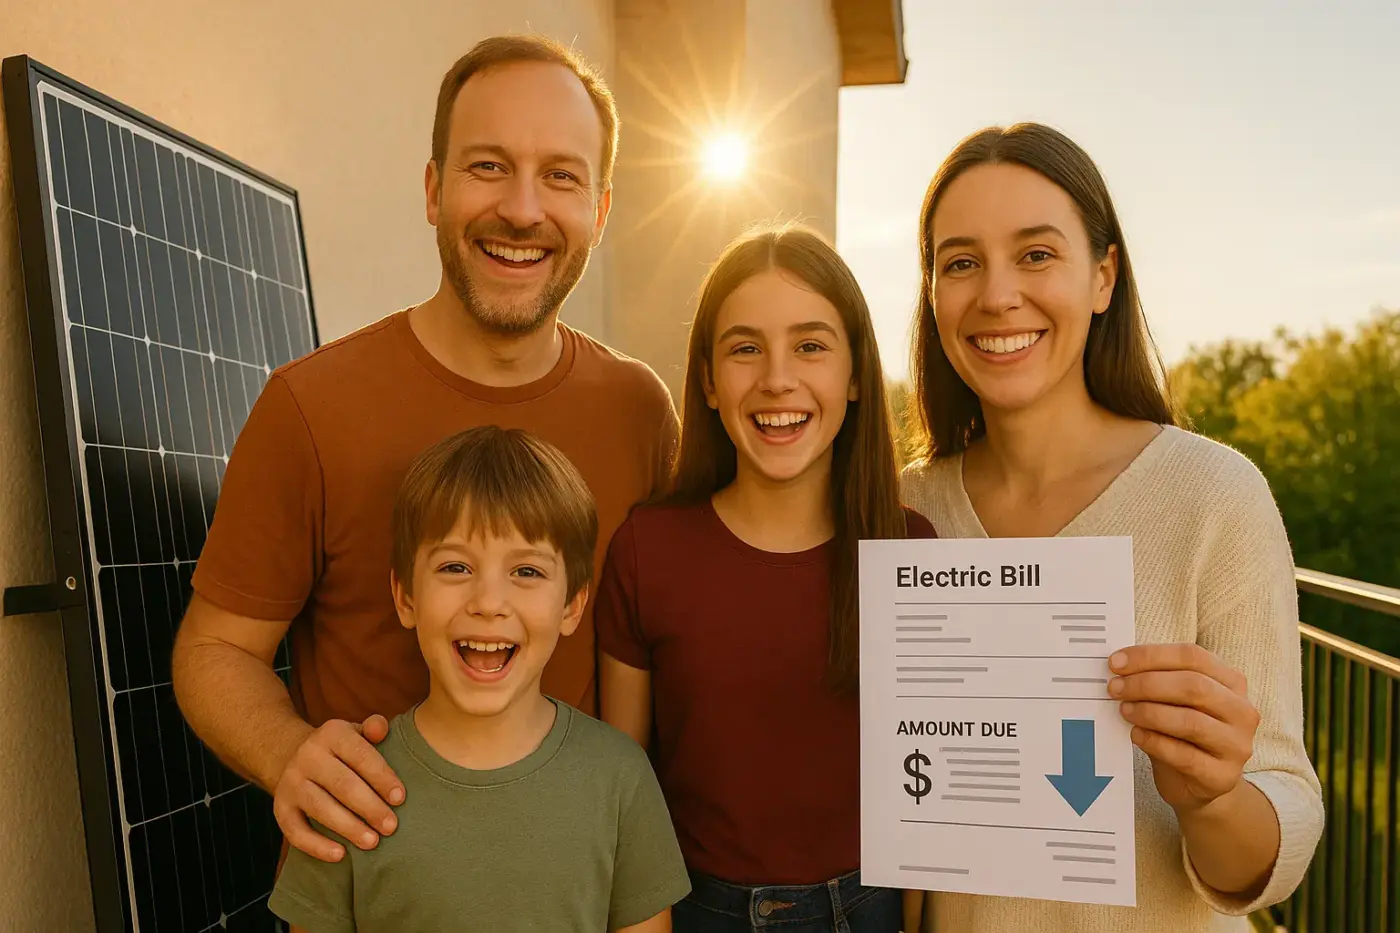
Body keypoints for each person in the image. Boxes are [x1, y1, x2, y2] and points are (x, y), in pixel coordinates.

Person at [171, 34, 678, 866]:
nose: (522, 209)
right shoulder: (311, 406)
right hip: (379, 895)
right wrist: (289, 754)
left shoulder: (639, 412)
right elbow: (215, 650)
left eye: (560, 175)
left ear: (601, 208)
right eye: (487, 166)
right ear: (435, 190)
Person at [898, 122, 1324, 932]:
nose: (996, 294)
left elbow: (1281, 835)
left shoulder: (1214, 495)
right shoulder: (898, 512)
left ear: (1103, 276)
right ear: (932, 293)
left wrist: (1215, 796)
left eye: (1035, 254)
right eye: (961, 262)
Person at [596, 223, 937, 933]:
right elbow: (623, 793)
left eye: (810, 345)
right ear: (710, 382)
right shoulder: (646, 549)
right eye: (745, 347)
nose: (776, 377)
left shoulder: (911, 550)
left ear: (853, 377)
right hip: (692, 910)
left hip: (870, 910)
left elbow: (927, 801)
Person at [267, 425, 691, 932]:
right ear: (405, 597)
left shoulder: (621, 779)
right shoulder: (348, 790)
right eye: (455, 567)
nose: (488, 602)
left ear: (573, 605)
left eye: (527, 572)